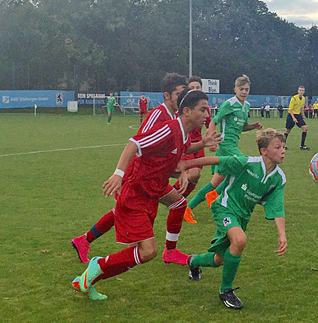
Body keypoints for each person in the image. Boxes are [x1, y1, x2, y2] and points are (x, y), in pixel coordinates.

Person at [71, 89, 220, 301]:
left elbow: (183, 149)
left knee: (138, 254)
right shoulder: (168, 129)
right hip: (135, 195)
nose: (208, 114)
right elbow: (135, 143)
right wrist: (118, 174)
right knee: (148, 251)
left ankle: (86, 280)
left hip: (151, 196)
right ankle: (97, 265)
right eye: (203, 109)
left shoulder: (183, 134)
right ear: (186, 111)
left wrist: (198, 150)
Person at [71, 73, 200, 266]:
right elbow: (139, 143)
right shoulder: (158, 114)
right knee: (131, 213)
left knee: (173, 205)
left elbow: (173, 149)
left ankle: (84, 240)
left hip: (154, 177)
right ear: (167, 95)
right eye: (179, 94)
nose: (182, 99)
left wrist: (179, 169)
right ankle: (95, 255)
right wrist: (123, 176)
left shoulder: (174, 117)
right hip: (138, 177)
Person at [186, 128, 287, 309]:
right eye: (278, 147)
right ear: (264, 151)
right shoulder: (247, 163)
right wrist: (185, 165)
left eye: (284, 147)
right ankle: (226, 291)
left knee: (220, 259)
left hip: (242, 217)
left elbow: (277, 207)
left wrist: (282, 234)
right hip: (224, 207)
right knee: (240, 240)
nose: (283, 151)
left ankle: (193, 261)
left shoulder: (278, 178)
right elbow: (216, 160)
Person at [184, 74, 263, 220]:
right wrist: (213, 140)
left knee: (216, 182)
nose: (244, 92)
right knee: (244, 163)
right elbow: (214, 121)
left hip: (233, 145)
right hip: (226, 145)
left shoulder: (246, 106)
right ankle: (218, 197)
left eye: (246, 89)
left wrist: (253, 126)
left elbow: (242, 127)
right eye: (241, 89)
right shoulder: (229, 104)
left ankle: (189, 208)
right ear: (235, 89)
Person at [176, 75, 213, 225]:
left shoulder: (204, 109)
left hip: (199, 145)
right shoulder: (185, 111)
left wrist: (210, 140)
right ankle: (173, 199)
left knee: (195, 177)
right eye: (192, 88)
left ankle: (177, 203)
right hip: (187, 145)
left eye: (198, 88)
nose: (195, 90)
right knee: (193, 173)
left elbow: (211, 123)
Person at [285, 86, 310, 150]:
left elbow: (301, 108)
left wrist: (303, 116)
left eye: (302, 90)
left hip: (298, 115)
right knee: (288, 131)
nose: (301, 92)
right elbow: (290, 109)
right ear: (298, 91)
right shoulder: (294, 98)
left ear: (304, 92)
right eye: (300, 90)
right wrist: (293, 118)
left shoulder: (303, 99)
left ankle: (302, 145)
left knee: (305, 128)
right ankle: (282, 145)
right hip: (291, 115)